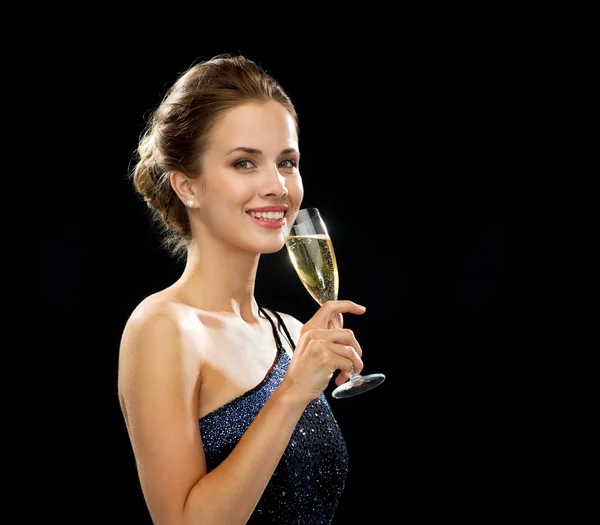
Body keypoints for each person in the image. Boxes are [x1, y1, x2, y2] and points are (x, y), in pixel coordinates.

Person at [117, 53, 367, 525]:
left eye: (287, 162)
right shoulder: (162, 328)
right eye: (245, 163)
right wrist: (291, 393)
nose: (277, 186)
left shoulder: (293, 333)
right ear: (187, 186)